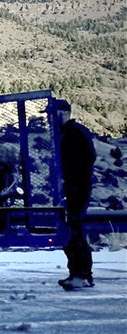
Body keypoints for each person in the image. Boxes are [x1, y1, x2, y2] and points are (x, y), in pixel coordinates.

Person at [56, 103, 97, 290]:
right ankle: (78, 274)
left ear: (63, 113)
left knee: (75, 231)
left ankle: (82, 275)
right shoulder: (64, 134)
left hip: (77, 189)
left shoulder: (76, 133)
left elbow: (88, 158)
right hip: (71, 188)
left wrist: (74, 181)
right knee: (71, 231)